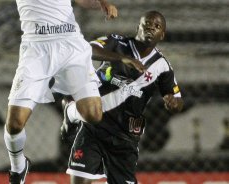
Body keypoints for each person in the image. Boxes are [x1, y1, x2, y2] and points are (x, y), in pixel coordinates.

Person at [3, 0, 146, 183]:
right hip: (36, 49)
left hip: (70, 45)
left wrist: (102, 3)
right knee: (15, 124)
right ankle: (18, 167)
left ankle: (70, 112)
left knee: (94, 114)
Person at [61, 10, 184, 184]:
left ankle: (72, 111)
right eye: (147, 24)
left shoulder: (162, 66)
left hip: (124, 137)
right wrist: (122, 59)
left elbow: (178, 99)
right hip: (94, 127)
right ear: (138, 27)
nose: (151, 28)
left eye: (157, 26)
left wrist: (174, 102)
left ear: (162, 35)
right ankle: (73, 112)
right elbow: (86, 49)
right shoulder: (117, 43)